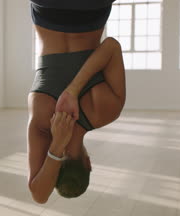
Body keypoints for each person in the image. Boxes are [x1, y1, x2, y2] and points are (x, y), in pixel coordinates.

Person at [27, 0, 126, 204]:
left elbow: (111, 46)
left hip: (93, 10)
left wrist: (74, 89)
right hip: (47, 10)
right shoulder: (42, 126)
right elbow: (38, 195)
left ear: (88, 163)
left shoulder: (106, 112)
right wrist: (55, 149)